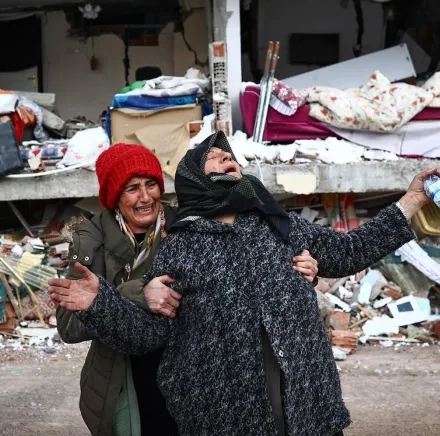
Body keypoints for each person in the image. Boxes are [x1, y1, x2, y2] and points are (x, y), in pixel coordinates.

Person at [50, 131, 440, 436]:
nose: (228, 160)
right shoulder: (181, 246)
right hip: (227, 410)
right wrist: (103, 303)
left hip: (304, 398)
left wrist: (412, 199)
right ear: (193, 179)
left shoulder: (281, 227)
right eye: (216, 158)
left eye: (232, 158)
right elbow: (151, 334)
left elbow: (351, 250)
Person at [55, 141, 321, 436]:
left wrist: (299, 271)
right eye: (131, 189)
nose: (145, 197)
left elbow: (246, 267)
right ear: (114, 196)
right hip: (125, 373)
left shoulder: (189, 222)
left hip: (190, 366)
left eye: (151, 185)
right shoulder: (90, 241)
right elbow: (68, 326)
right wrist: (136, 292)